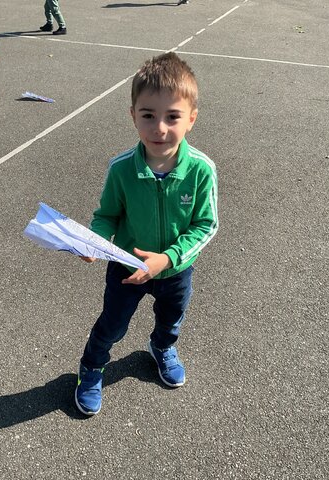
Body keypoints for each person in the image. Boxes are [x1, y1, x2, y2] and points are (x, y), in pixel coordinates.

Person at [74, 52, 219, 415]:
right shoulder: (122, 169)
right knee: (112, 326)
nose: (160, 128)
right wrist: (96, 240)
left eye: (173, 116)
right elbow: (107, 216)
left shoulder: (201, 170)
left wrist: (168, 258)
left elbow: (206, 225)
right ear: (133, 116)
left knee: (171, 319)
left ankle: (162, 347)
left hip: (175, 271)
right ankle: (91, 367)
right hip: (126, 269)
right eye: (148, 115)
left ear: (192, 119)